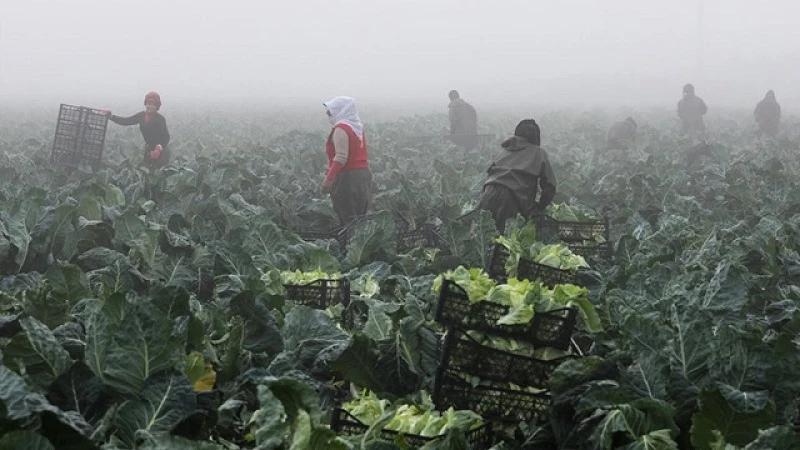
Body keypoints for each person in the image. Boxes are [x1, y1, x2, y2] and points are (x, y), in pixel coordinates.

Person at [477, 119, 556, 233]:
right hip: (512, 198)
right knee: (508, 241)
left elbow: (490, 171)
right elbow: (550, 185)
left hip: (488, 193)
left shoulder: (504, 151)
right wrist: (540, 207)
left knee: (484, 237)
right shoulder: (538, 152)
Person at [321, 96, 371, 226]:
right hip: (362, 175)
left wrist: (329, 179)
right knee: (359, 216)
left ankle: (349, 244)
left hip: (347, 178)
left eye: (331, 110)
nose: (327, 113)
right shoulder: (357, 128)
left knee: (348, 217)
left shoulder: (341, 129)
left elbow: (341, 157)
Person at [103, 91, 170, 169]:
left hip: (161, 152)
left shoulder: (160, 119)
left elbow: (166, 137)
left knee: (158, 174)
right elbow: (126, 121)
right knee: (146, 172)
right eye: (149, 103)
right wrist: (111, 116)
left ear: (157, 106)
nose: (150, 106)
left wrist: (159, 148)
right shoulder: (141, 116)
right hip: (149, 149)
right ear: (145, 104)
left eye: (153, 104)